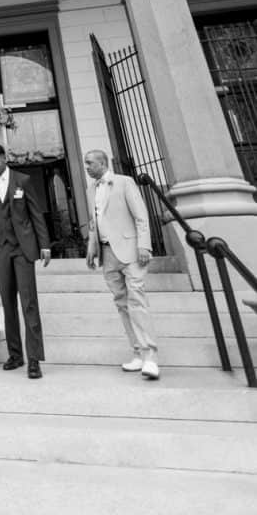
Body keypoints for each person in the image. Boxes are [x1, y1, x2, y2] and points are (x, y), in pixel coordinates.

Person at [84, 150, 159, 380]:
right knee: (121, 303)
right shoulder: (90, 189)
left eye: (90, 163)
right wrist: (91, 247)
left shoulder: (125, 183)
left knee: (137, 300)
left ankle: (150, 357)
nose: (86, 167)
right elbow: (94, 221)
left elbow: (141, 216)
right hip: (107, 254)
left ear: (103, 163)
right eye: (85, 164)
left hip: (130, 249)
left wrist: (144, 245)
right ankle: (137, 352)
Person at [0, 143, 51, 379]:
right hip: (1, 251)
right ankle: (16, 354)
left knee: (28, 303)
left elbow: (36, 214)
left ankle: (34, 359)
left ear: (4, 159)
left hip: (23, 249)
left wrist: (44, 245)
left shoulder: (23, 180)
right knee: (8, 304)